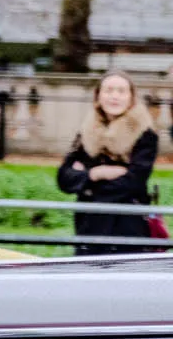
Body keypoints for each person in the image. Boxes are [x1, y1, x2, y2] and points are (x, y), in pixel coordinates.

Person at [56, 72, 159, 256]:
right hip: (88, 224)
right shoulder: (86, 131)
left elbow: (134, 181)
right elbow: (64, 178)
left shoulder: (145, 133)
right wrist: (96, 174)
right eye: (109, 90)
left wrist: (86, 183)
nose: (114, 96)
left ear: (131, 98)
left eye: (121, 91)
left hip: (128, 224)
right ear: (98, 96)